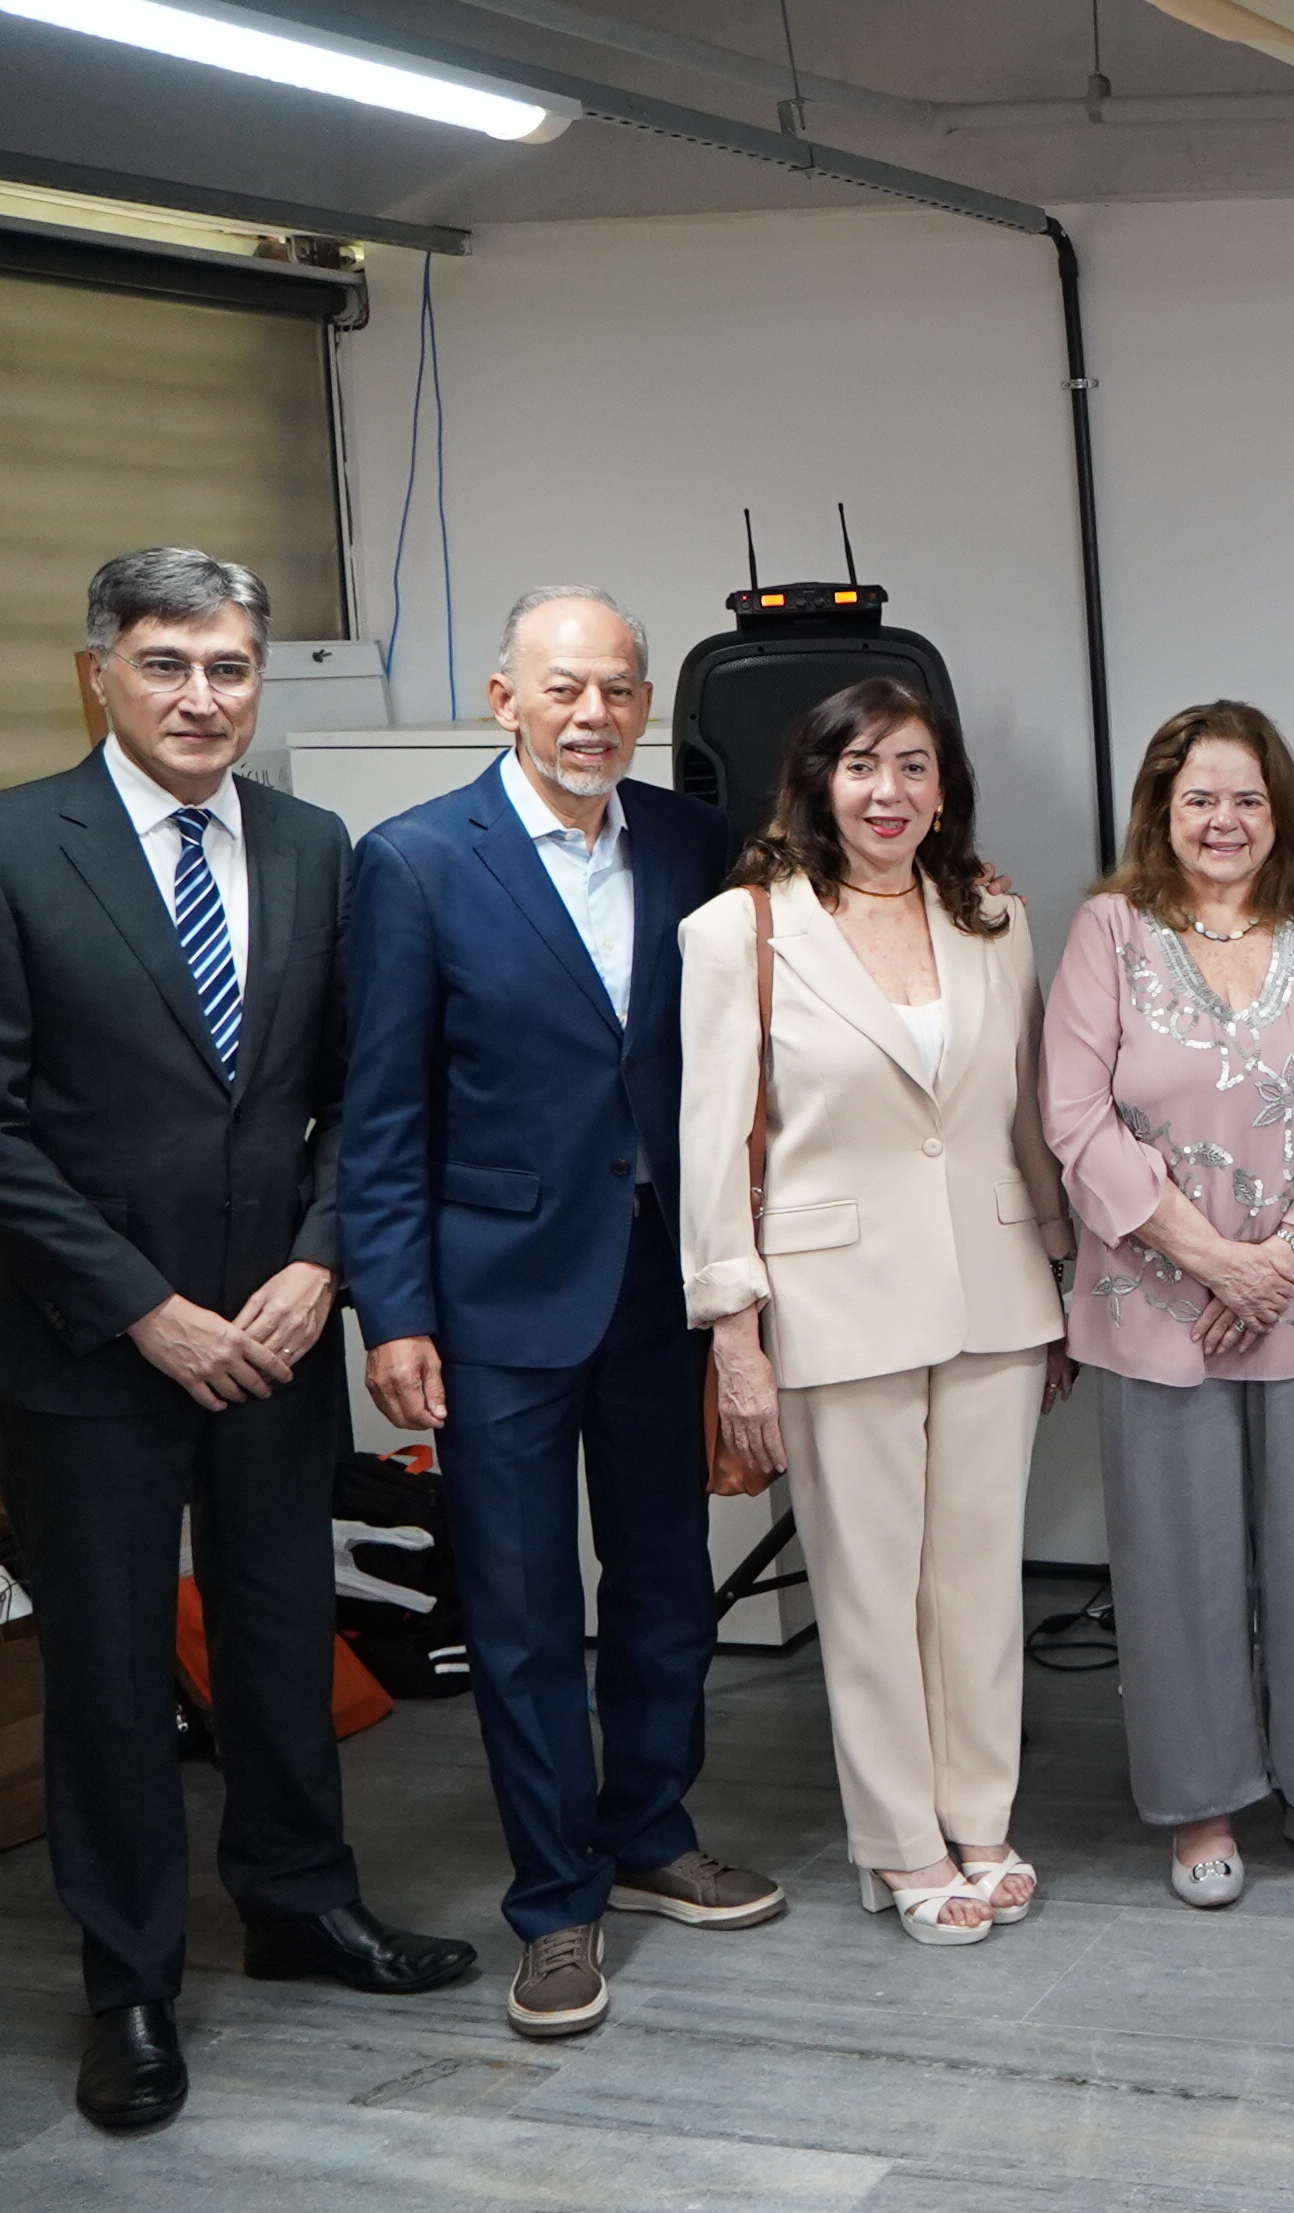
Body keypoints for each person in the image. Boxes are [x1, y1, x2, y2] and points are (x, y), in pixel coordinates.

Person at [0, 549, 471, 2129]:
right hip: (90, 1347)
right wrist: (144, 1303)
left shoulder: (315, 845)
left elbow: (368, 1092)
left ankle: (297, 1906)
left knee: (281, 1632)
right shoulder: (12, 846)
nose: (202, 696)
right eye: (167, 664)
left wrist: (324, 1262)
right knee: (119, 1672)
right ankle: (130, 1982)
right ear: (101, 674)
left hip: (275, 1330)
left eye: (229, 668)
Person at [343, 585, 780, 2042]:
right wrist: (391, 1309)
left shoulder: (692, 842)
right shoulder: (411, 864)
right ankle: (556, 1901)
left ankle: (650, 1832)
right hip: (493, 1304)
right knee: (524, 1619)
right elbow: (383, 1109)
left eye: (620, 689)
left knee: (663, 1587)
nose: (594, 714)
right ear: (503, 697)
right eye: (565, 688)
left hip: (661, 1289)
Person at [676, 679, 1075, 1945]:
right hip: (831, 1293)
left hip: (996, 1284)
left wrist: (1056, 1269)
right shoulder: (740, 932)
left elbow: (1022, 1108)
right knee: (868, 1589)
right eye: (859, 765)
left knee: (975, 1580)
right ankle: (901, 1842)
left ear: (943, 786)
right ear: (817, 784)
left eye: (911, 764)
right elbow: (707, 1145)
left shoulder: (997, 915)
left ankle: (981, 1817)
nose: (887, 789)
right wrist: (733, 1327)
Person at [1043, 701, 1294, 1907]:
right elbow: (1073, 1115)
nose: (1224, 819)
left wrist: (1285, 1258)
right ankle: (1201, 1804)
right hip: (1160, 1300)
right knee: (1177, 1560)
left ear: (1278, 810)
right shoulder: (1109, 930)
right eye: (1199, 796)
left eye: (1247, 796)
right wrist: (1212, 1259)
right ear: (1162, 809)